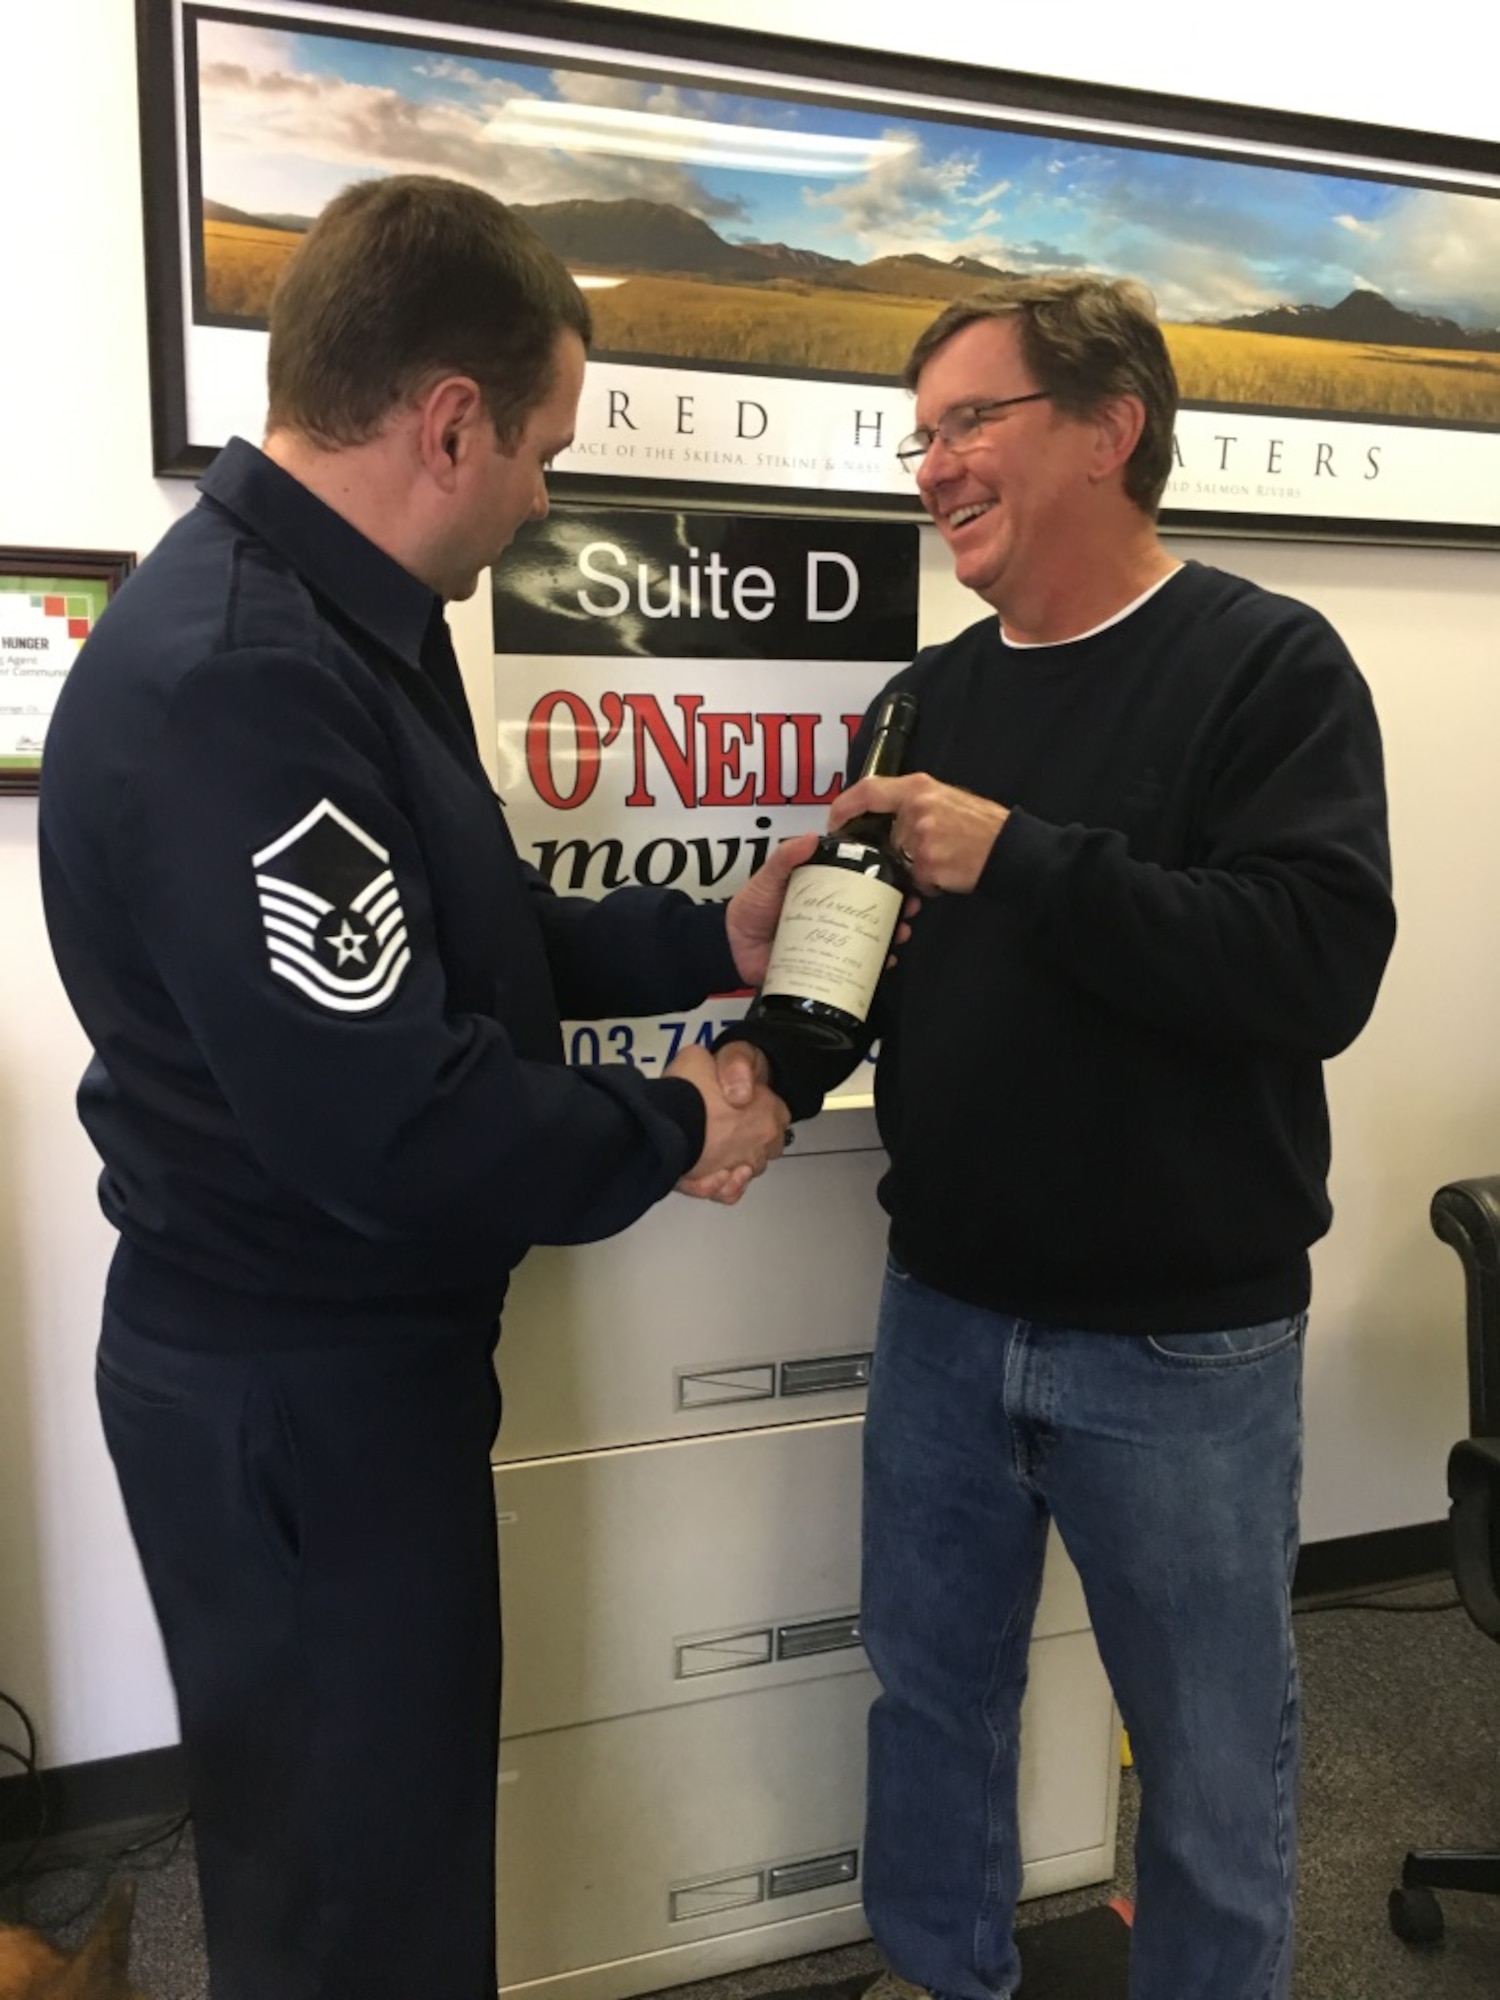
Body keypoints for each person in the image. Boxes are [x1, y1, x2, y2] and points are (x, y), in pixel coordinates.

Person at [38, 174, 805, 2000]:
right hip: (299, 1390)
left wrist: (715, 927)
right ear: (448, 419)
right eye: (542, 446)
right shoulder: (247, 680)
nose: (545, 495)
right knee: (351, 1904)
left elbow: (472, 939)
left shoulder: (344, 621)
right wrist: (685, 1119)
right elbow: (397, 1117)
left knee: (363, 1850)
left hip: (332, 1367)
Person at [739, 276, 1395, 2000]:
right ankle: (943, 1977)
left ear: (1112, 429)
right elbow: (853, 960)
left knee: (1207, 1763)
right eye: (922, 432)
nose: (933, 464)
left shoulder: (1269, 666)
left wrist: (1022, 854)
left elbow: (1315, 967)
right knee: (934, 1702)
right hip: (946, 1312)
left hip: (1180, 1346)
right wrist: (757, 1065)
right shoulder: (929, 697)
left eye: (971, 421)